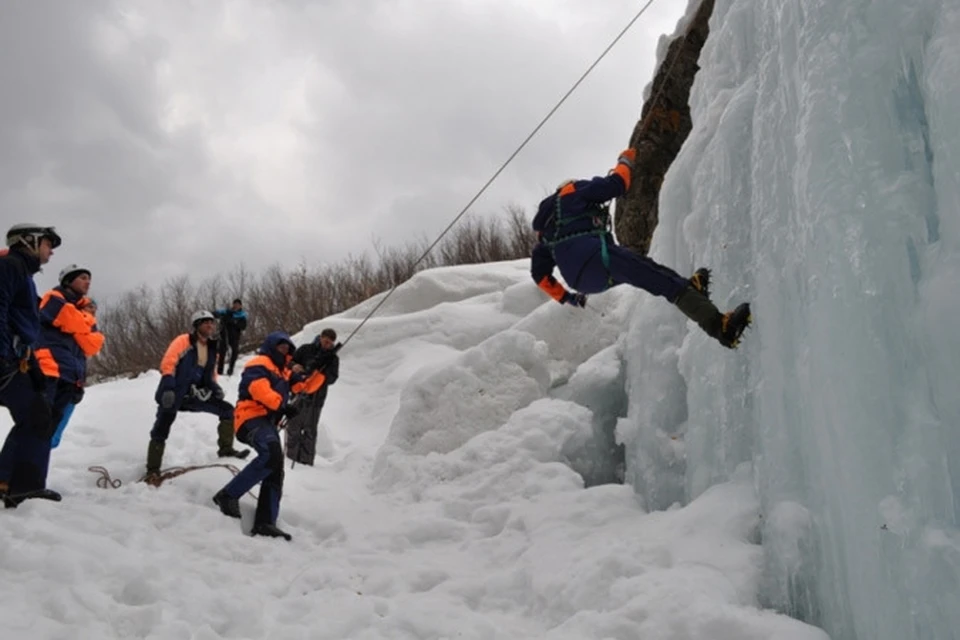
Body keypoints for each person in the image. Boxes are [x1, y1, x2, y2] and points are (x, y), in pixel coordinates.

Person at [530, 147, 751, 348]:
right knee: (656, 279)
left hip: (584, 282)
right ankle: (721, 328)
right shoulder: (572, 191)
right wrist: (625, 160)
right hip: (599, 258)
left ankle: (691, 289)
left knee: (647, 269)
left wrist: (568, 297)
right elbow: (618, 184)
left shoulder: (546, 231)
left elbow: (539, 275)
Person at [212, 332, 324, 540]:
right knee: (272, 454)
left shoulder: (284, 372)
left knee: (275, 468)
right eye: (281, 347)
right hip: (250, 418)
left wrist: (322, 370)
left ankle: (265, 521)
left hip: (268, 423)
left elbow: (304, 386)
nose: (284, 351)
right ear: (271, 346)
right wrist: (283, 406)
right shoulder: (260, 363)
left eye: (287, 349)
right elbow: (258, 389)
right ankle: (227, 495)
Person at [144, 310, 249, 483]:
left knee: (227, 410)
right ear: (197, 325)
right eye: (205, 322)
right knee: (161, 428)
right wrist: (169, 387)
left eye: (211, 322)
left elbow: (210, 373)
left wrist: (215, 388)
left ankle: (226, 449)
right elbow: (168, 362)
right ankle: (152, 470)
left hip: (193, 395)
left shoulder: (211, 347)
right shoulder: (183, 341)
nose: (209, 325)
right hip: (174, 392)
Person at [0, 224, 62, 507]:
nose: (50, 252)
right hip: (5, 360)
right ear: (29, 241)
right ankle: (22, 489)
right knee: (37, 417)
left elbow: (23, 330)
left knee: (36, 415)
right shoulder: (10, 266)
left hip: (16, 359)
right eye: (48, 244)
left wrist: (35, 369)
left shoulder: (23, 274)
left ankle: (13, 485)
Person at [35, 264, 105, 452]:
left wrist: (78, 323)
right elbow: (72, 321)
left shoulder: (80, 311)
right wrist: (84, 321)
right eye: (82, 277)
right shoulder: (53, 297)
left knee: (51, 437)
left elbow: (94, 344)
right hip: (49, 373)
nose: (88, 281)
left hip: (72, 379)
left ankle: (31, 478)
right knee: (36, 432)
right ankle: (10, 477)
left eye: (89, 278)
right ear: (68, 280)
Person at [285, 328, 340, 466]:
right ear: (320, 337)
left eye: (330, 343)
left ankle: (306, 461)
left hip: (317, 397)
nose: (327, 345)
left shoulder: (333, 358)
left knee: (310, 429)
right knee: (293, 426)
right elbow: (289, 363)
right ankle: (290, 458)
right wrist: (295, 366)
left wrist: (320, 373)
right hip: (299, 392)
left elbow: (333, 378)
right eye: (325, 341)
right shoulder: (305, 349)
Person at [214, 298, 248, 376]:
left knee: (234, 352)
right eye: (235, 304)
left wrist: (233, 322)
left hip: (234, 337)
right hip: (224, 335)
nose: (236, 306)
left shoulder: (242, 315)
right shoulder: (227, 312)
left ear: (240, 306)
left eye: (238, 305)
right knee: (222, 352)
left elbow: (243, 326)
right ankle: (220, 370)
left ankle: (231, 369)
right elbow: (216, 314)